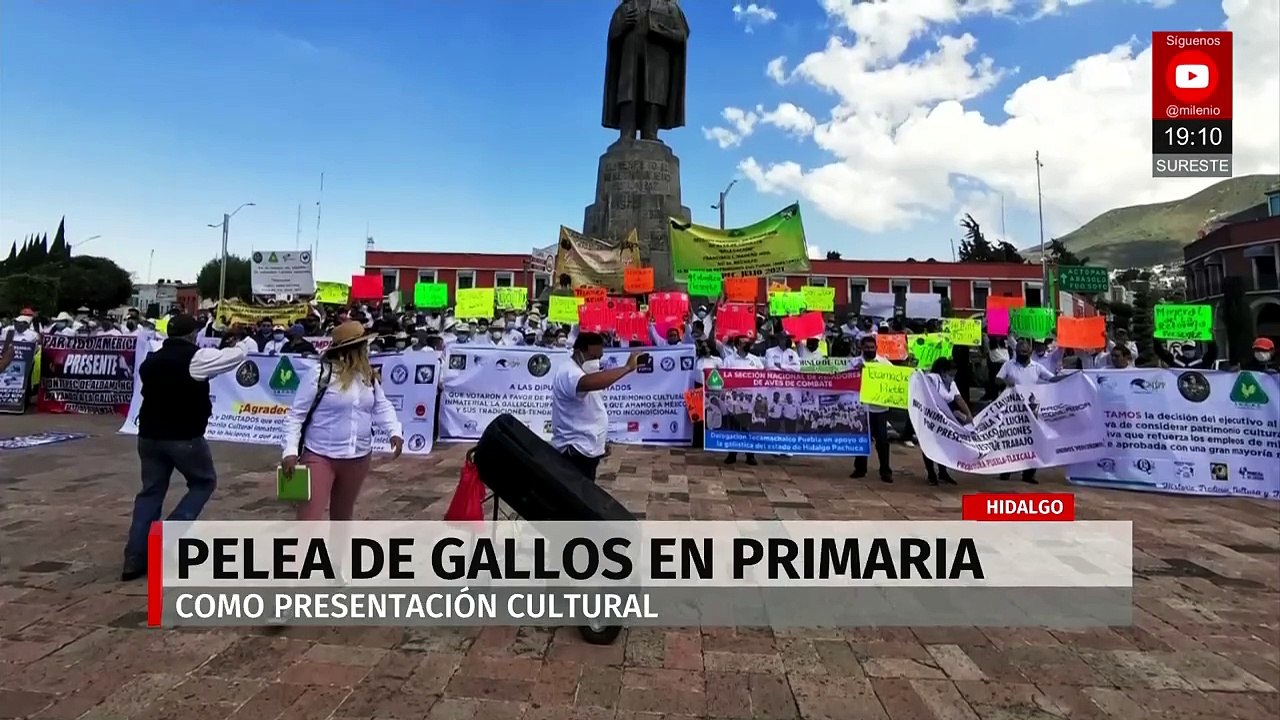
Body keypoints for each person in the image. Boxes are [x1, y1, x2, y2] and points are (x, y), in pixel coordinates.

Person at [121, 315, 248, 581]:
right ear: (193, 335)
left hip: (149, 435)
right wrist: (245, 343)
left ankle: (135, 556)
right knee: (203, 482)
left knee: (150, 492)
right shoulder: (196, 358)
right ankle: (167, 536)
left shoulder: (152, 359)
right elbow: (232, 359)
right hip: (184, 436)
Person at [281, 321, 404, 521]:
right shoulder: (320, 374)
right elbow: (296, 415)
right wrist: (290, 451)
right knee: (309, 519)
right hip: (320, 455)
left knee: (343, 516)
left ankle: (338, 553)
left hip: (358, 456)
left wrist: (394, 431)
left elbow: (381, 405)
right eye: (363, 346)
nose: (367, 350)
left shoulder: (367, 376)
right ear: (351, 350)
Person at [551, 332, 643, 481]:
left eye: (599, 358)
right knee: (576, 497)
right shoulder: (569, 371)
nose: (597, 362)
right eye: (593, 357)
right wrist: (627, 368)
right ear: (579, 352)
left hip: (587, 448)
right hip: (575, 450)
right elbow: (586, 383)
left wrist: (599, 442)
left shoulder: (584, 370)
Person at [995, 338, 1055, 485]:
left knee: (1033, 440)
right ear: (1016, 352)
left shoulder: (1037, 367)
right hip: (1012, 409)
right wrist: (1005, 382)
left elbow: (1052, 379)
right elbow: (997, 379)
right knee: (1011, 440)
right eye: (1020, 352)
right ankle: (1006, 470)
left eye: (1025, 352)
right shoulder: (1008, 365)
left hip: (1031, 409)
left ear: (1030, 352)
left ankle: (1029, 474)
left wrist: (1070, 377)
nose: (1023, 354)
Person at [921, 358, 973, 486]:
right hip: (932, 416)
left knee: (944, 443)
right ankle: (931, 473)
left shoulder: (952, 384)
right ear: (943, 372)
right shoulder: (933, 379)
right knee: (930, 444)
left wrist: (969, 416)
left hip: (947, 417)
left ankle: (943, 472)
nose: (952, 377)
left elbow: (959, 399)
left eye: (954, 375)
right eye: (950, 374)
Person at [850, 335, 893, 482]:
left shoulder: (883, 363)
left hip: (879, 408)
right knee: (861, 439)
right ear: (862, 348)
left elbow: (895, 377)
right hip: (861, 407)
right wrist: (856, 371)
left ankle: (885, 471)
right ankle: (860, 469)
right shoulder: (854, 362)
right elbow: (844, 378)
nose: (869, 350)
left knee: (882, 441)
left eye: (872, 347)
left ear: (876, 348)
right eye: (867, 348)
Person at [721, 333, 763, 466]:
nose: (748, 345)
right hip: (734, 401)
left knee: (749, 429)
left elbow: (762, 378)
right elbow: (723, 378)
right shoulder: (728, 360)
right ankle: (732, 454)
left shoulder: (755, 360)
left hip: (750, 402)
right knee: (734, 428)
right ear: (738, 345)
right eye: (745, 343)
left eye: (748, 342)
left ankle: (750, 455)